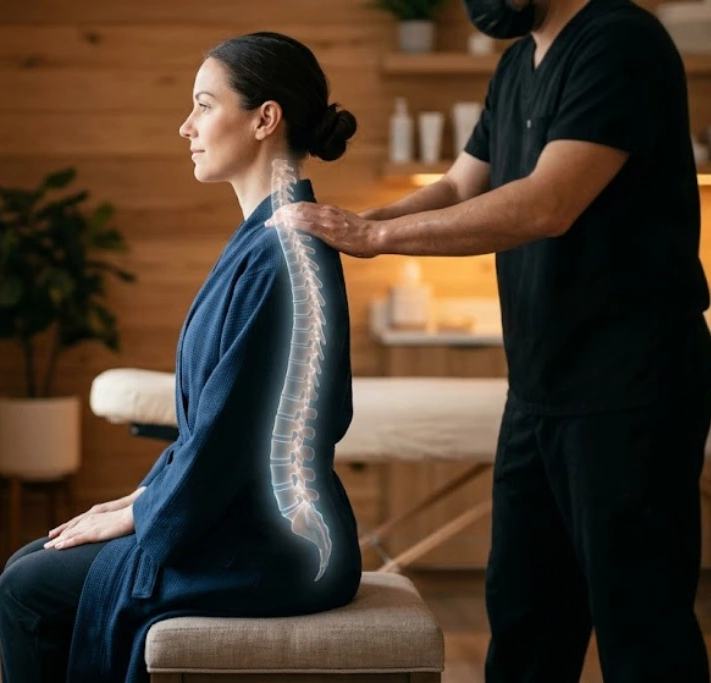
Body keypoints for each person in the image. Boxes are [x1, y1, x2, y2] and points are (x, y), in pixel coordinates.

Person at [267, 0, 711, 681]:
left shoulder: (621, 41)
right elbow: (455, 185)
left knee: (641, 625)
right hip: (537, 391)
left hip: (631, 389)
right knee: (526, 621)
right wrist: (357, 224)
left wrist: (376, 236)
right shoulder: (513, 68)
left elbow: (546, 203)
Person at [0, 32, 365, 683]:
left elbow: (230, 438)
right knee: (37, 555)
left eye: (203, 104)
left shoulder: (284, 251)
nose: (185, 125)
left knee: (26, 588)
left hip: (280, 545)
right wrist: (135, 500)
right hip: (254, 522)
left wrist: (138, 512)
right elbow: (220, 426)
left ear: (264, 118)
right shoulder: (268, 236)